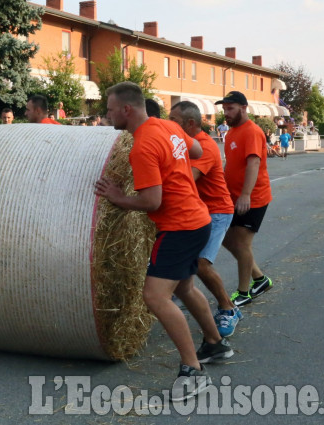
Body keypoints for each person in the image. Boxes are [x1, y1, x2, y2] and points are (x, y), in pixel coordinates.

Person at [95, 82, 233, 401]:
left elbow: (151, 201)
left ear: (126, 110)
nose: (107, 115)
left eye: (110, 110)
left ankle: (192, 371)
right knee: (183, 287)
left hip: (179, 227)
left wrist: (118, 197)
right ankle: (215, 344)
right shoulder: (168, 126)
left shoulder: (142, 145)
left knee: (155, 297)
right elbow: (197, 150)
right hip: (198, 219)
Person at [169, 101, 241, 337]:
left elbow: (187, 179)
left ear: (190, 124)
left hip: (217, 211)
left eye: (174, 121)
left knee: (200, 263)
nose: (170, 125)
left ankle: (228, 308)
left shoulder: (205, 146)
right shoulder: (182, 143)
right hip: (197, 210)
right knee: (183, 259)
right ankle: (174, 295)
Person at [214, 91, 273, 307]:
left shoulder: (252, 132)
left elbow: (253, 164)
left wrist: (245, 195)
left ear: (244, 108)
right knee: (229, 240)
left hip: (253, 198)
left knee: (241, 243)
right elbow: (231, 165)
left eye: (230, 109)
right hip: (233, 197)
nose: (226, 114)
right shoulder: (230, 134)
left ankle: (244, 292)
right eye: (224, 110)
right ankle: (260, 279)